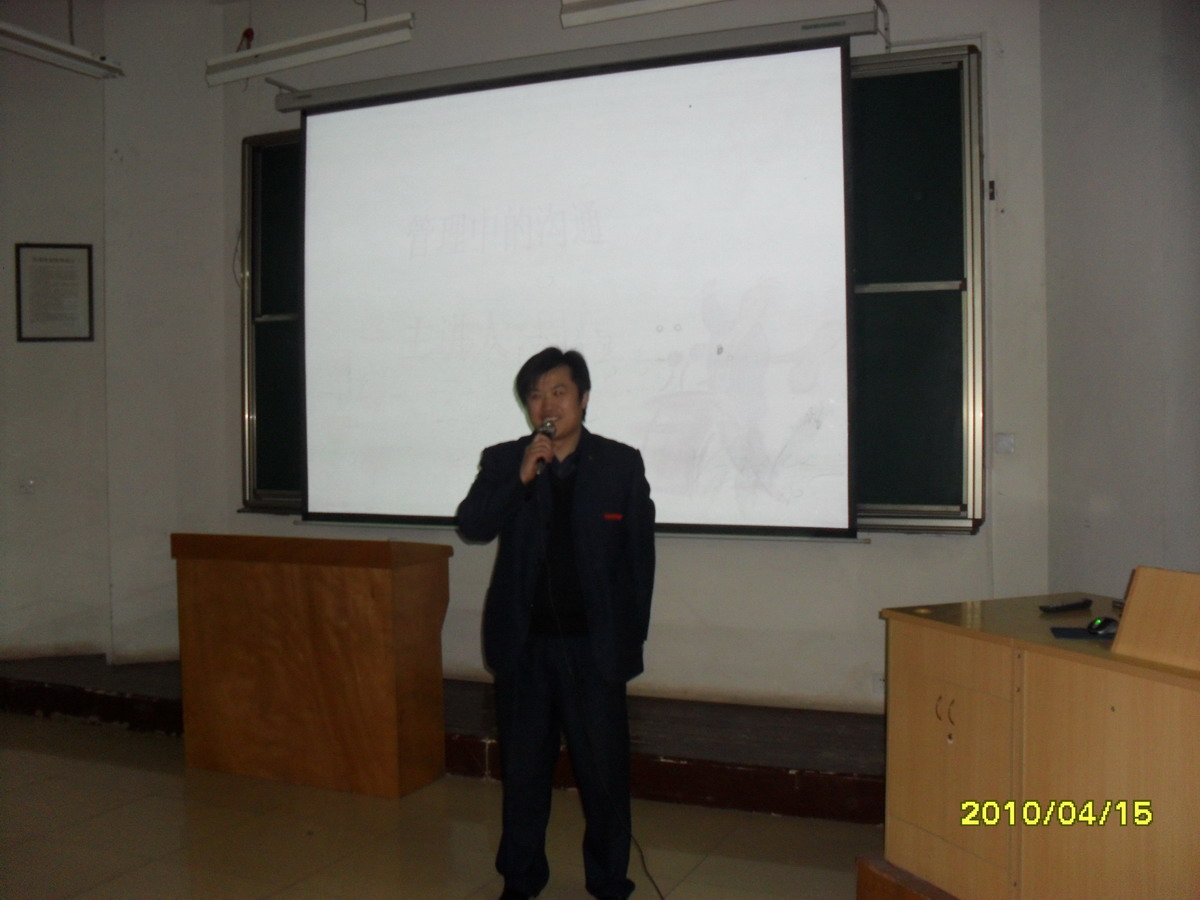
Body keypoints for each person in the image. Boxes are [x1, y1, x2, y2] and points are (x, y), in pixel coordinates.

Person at [456, 347, 656, 900]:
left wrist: (627, 643)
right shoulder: (505, 460)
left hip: (595, 651)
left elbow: (640, 562)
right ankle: (520, 880)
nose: (546, 405)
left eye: (558, 392)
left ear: (583, 399)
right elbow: (472, 524)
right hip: (525, 650)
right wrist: (520, 479)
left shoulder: (620, 464)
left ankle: (609, 880)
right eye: (535, 395)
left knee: (604, 777)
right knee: (523, 775)